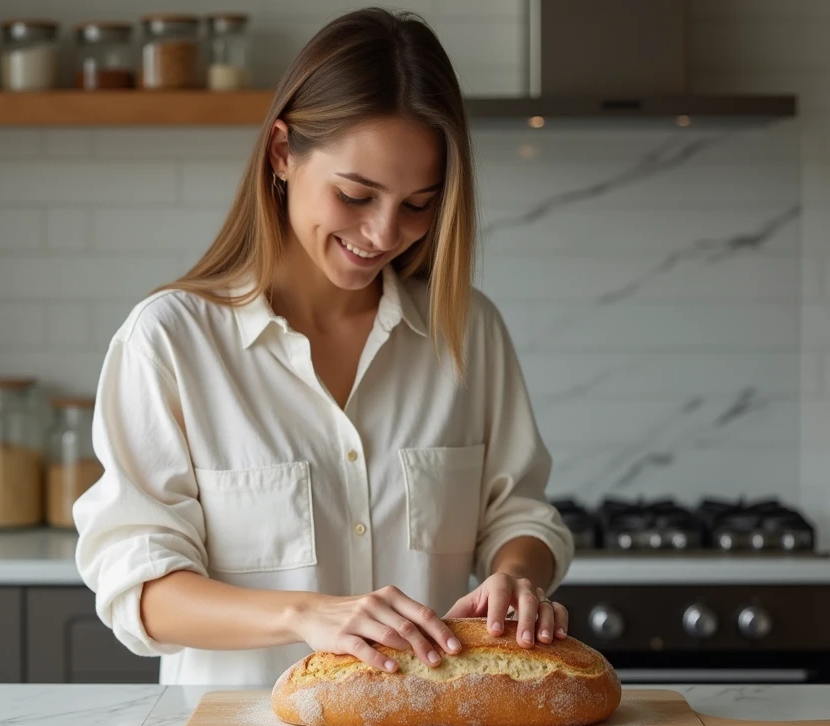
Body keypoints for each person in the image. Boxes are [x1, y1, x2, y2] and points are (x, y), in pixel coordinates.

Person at [74, 7, 574, 687]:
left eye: (419, 204)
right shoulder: (169, 342)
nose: (383, 233)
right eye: (356, 194)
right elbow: (139, 589)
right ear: (283, 153)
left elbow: (517, 512)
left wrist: (516, 576)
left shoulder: (465, 331)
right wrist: (305, 616)